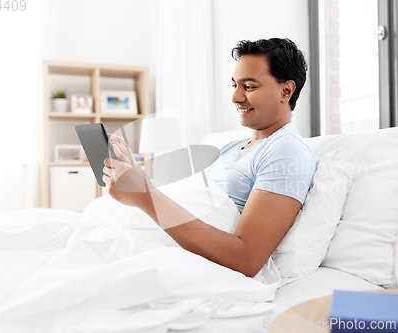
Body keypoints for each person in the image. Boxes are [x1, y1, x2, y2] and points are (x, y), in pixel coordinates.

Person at [103, 38, 317, 278]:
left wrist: (144, 195)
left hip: (182, 263)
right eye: (235, 85)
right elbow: (190, 205)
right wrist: (132, 172)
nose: (236, 97)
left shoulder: (286, 152)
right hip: (158, 241)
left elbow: (247, 259)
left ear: (286, 91)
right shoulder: (231, 148)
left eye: (249, 87)